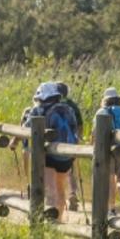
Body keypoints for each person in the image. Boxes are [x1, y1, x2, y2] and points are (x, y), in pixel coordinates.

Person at [24, 81, 76, 210]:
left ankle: (52, 220)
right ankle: (60, 217)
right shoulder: (68, 109)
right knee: (60, 187)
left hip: (49, 154)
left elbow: (26, 127)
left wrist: (14, 141)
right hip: (67, 154)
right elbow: (74, 127)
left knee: (50, 187)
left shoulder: (38, 109)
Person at [57, 82, 87, 210]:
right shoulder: (72, 105)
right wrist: (77, 138)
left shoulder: (53, 104)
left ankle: (60, 198)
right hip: (71, 140)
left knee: (57, 170)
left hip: (56, 140)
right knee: (71, 169)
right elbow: (80, 124)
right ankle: (72, 193)